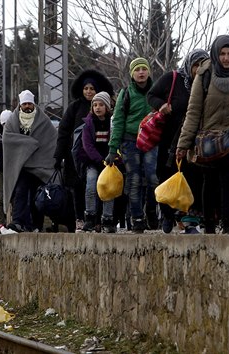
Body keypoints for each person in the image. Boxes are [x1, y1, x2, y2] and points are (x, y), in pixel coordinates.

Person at [175, 35, 229, 234]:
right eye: (222, 53)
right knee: (209, 183)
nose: (226, 58)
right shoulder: (204, 74)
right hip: (207, 140)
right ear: (216, 54)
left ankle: (228, 227)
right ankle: (209, 228)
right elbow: (193, 111)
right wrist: (183, 144)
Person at [147, 49, 209, 233]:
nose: (198, 70)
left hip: (194, 141)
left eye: (202, 65)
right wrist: (161, 105)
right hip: (169, 139)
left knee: (192, 179)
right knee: (166, 176)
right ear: (189, 65)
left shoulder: (207, 85)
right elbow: (151, 95)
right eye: (195, 65)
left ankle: (189, 220)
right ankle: (167, 213)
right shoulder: (173, 79)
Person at [54, 69, 114, 232]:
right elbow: (64, 132)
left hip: (105, 158)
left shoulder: (109, 116)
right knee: (81, 189)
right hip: (79, 157)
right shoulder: (74, 108)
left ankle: (102, 220)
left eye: (92, 89)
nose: (88, 92)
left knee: (104, 188)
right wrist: (58, 155)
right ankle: (81, 218)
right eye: (86, 88)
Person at [105, 57, 156, 234]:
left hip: (151, 141)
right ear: (132, 74)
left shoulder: (155, 92)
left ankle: (151, 209)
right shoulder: (125, 93)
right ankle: (137, 218)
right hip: (130, 141)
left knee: (152, 177)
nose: (141, 72)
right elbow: (118, 120)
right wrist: (113, 149)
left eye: (144, 69)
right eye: (137, 70)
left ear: (148, 71)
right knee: (134, 180)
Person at [1, 89, 57, 234]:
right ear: (20, 105)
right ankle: (18, 222)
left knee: (35, 195)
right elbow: (8, 139)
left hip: (39, 166)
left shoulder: (42, 120)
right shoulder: (13, 121)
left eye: (29, 104)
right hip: (20, 166)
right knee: (20, 192)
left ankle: (36, 224)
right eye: (24, 104)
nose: (27, 107)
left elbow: (51, 139)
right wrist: (30, 143)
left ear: (33, 104)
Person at [80, 91, 115, 233]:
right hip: (94, 162)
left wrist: (112, 158)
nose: (98, 107)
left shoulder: (112, 122)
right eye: (95, 105)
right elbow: (88, 145)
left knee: (109, 190)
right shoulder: (88, 124)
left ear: (107, 107)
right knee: (90, 186)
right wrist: (99, 160)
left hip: (110, 163)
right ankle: (90, 216)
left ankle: (108, 218)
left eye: (101, 104)